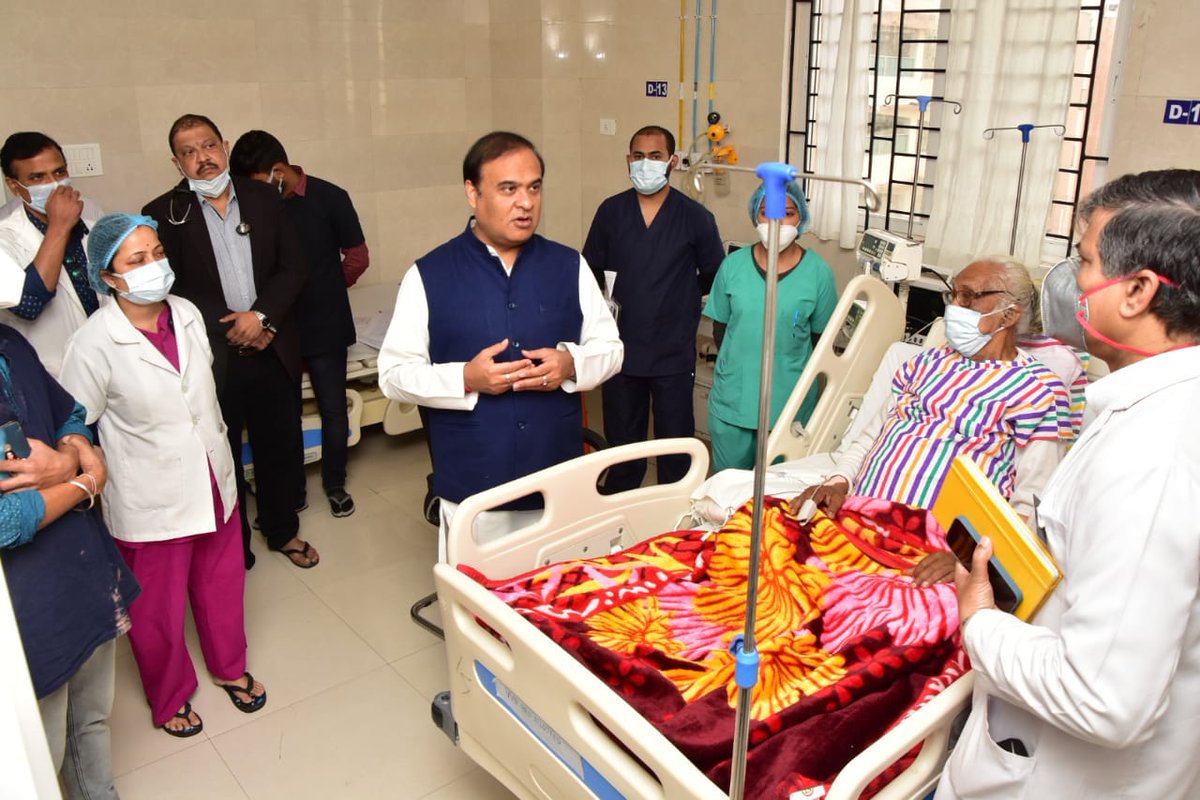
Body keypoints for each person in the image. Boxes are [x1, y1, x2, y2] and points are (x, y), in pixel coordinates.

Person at [938, 170, 1200, 799]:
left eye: (1084, 261)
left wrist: (979, 619)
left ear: (1137, 290)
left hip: (1056, 777)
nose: (1071, 283)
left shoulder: (1153, 456)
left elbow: (1101, 698)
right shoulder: (1151, 410)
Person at [60, 213, 267, 739]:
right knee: (157, 606)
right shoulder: (94, 342)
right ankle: (170, 694)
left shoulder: (187, 313)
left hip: (211, 473)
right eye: (137, 259)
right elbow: (75, 421)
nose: (154, 265)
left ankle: (229, 666)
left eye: (157, 253)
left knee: (222, 582)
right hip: (149, 492)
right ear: (109, 276)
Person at [378, 131, 622, 554]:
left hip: (556, 479)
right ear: (472, 193)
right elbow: (393, 375)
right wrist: (465, 379)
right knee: (476, 592)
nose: (526, 203)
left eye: (534, 187)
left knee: (558, 587)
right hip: (474, 486)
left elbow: (611, 349)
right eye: (508, 189)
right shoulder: (429, 275)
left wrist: (571, 364)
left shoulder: (569, 265)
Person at [141, 114, 315, 571]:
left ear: (225, 146)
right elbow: (170, 291)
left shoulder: (264, 198)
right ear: (177, 163)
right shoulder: (163, 213)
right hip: (213, 356)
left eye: (208, 146)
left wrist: (261, 319)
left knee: (279, 447)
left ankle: (282, 530)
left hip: (272, 345)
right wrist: (234, 327)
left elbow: (294, 267)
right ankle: (234, 546)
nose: (202, 158)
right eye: (189, 152)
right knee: (222, 455)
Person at [0, 322, 138, 798]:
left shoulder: (10, 341)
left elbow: (70, 413)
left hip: (82, 566)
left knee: (93, 717)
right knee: (43, 748)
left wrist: (68, 456)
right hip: (26, 598)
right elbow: (5, 521)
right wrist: (85, 481)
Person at [229, 130, 369, 519]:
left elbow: (357, 257)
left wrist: (327, 288)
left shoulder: (330, 197)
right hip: (278, 327)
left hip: (326, 325)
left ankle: (335, 483)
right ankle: (293, 489)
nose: (248, 193)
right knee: (283, 414)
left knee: (333, 408)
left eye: (254, 183)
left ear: (277, 171)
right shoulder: (254, 206)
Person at [582, 124, 724, 492]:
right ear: (628, 160)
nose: (646, 163)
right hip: (621, 349)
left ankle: (673, 506)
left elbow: (714, 275)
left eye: (655, 156)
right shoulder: (611, 212)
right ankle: (619, 501)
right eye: (639, 156)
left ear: (672, 162)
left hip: (671, 351)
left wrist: (679, 298)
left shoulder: (695, 217)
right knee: (622, 439)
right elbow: (589, 272)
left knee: (674, 441)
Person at [702, 180, 837, 470]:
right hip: (734, 404)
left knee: (779, 493)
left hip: (789, 409)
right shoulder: (733, 266)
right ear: (755, 215)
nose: (776, 222)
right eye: (767, 212)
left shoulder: (818, 274)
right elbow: (720, 330)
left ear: (800, 218)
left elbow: (822, 346)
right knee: (729, 489)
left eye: (787, 213)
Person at [0, 132, 104, 376]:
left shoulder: (90, 211)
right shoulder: (5, 233)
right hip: (53, 370)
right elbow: (28, 305)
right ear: (14, 186)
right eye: (37, 177)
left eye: (59, 172)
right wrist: (59, 226)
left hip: (105, 353)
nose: (54, 184)